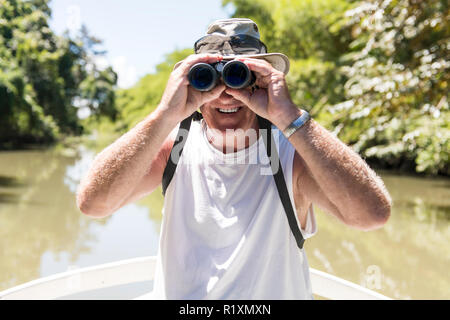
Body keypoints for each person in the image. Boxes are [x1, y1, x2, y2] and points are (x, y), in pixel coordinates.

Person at [76, 18, 392, 299]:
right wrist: (164, 115)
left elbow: (371, 215)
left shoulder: (292, 155)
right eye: (208, 79)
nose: (226, 94)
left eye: (240, 75)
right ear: (191, 84)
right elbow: (94, 203)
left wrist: (291, 117)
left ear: (264, 82)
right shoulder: (173, 148)